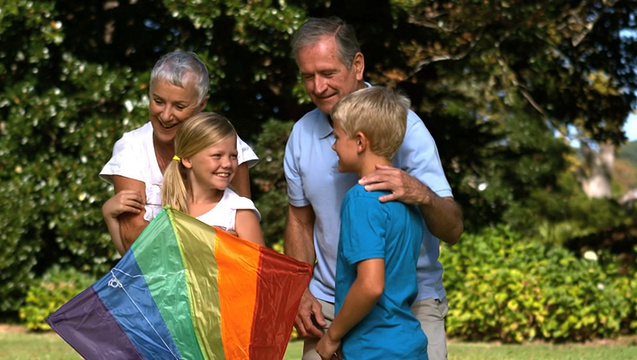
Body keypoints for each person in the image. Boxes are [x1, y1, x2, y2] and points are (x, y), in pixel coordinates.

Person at [284, 16, 463, 360]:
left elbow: (453, 229)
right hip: (330, 306)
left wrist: (422, 193)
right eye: (308, 76)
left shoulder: (406, 127)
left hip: (409, 308)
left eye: (328, 73)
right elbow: (299, 221)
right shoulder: (301, 134)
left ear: (357, 65)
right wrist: (298, 292)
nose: (318, 87)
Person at [100, 50, 259, 255]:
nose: (166, 115)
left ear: (201, 105)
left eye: (179, 106)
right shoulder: (131, 147)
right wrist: (210, 238)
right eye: (158, 101)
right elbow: (134, 240)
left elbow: (244, 226)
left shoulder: (225, 144)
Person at [315, 86, 427, 359]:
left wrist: (332, 336)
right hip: (408, 344)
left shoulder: (361, 200)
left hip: (372, 349)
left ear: (360, 142)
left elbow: (371, 285)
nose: (333, 145)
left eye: (337, 137)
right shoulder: (406, 199)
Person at [162, 112, 264, 245]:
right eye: (217, 155)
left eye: (233, 156)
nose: (227, 164)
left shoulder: (239, 211)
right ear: (187, 159)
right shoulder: (171, 204)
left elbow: (260, 264)